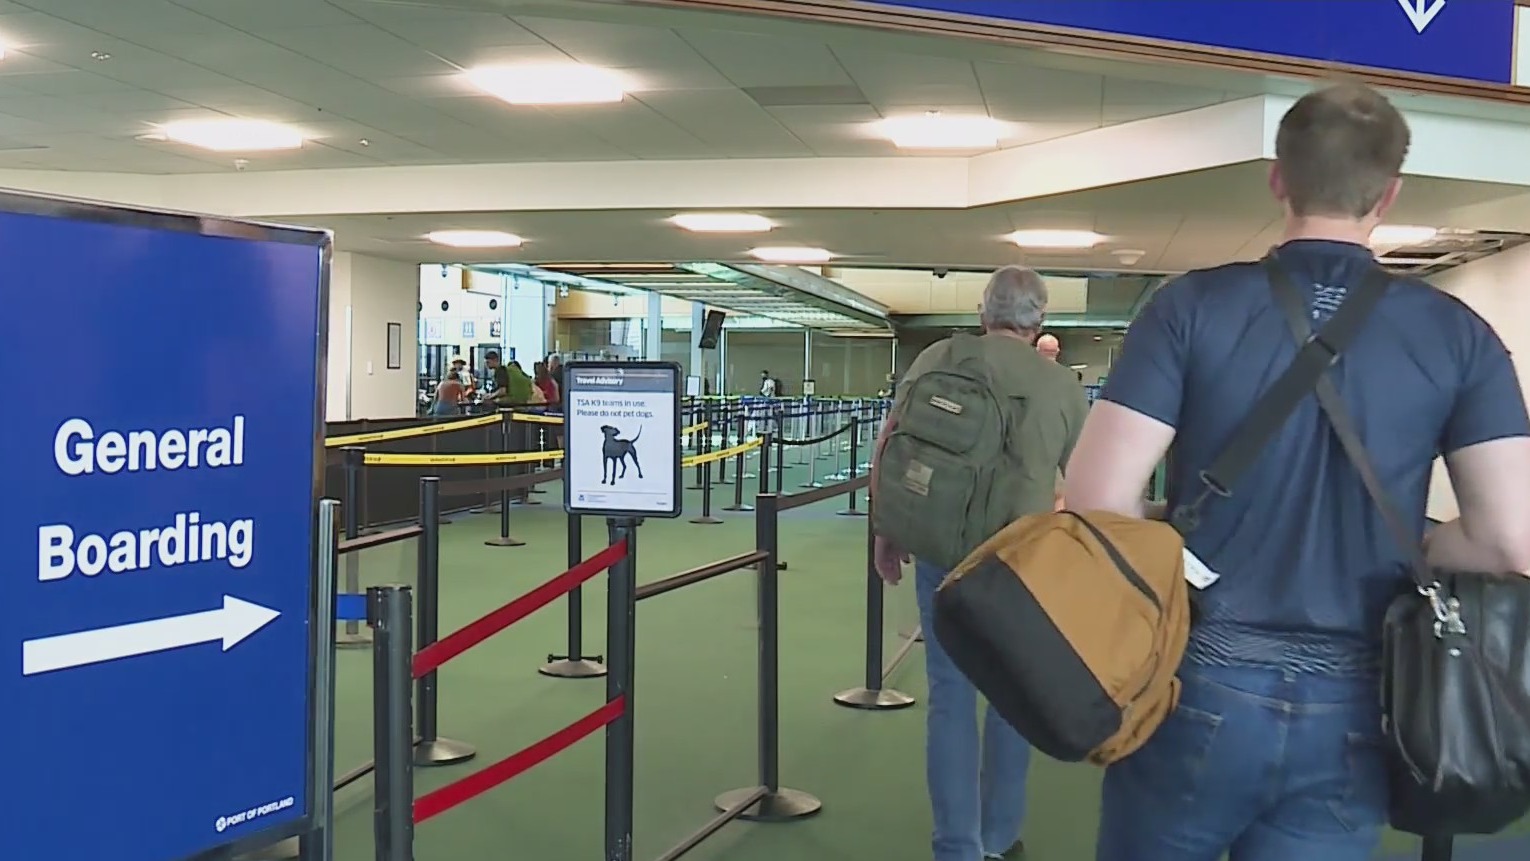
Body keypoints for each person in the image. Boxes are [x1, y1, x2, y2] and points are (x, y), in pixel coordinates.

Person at [1063, 82, 1530, 861]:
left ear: (1277, 178)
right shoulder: (1460, 336)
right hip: (1359, 705)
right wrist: (1416, 539)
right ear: (1389, 194)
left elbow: (1095, 500)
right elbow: (1510, 542)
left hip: (1195, 682)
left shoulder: (1187, 308)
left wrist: (1181, 529)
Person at [872, 265, 1089, 861]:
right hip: (1021, 563)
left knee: (949, 695)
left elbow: (890, 443)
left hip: (942, 549)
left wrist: (885, 530)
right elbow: (1093, 486)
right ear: (1038, 320)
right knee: (1011, 697)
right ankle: (998, 837)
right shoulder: (1061, 387)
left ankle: (956, 848)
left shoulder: (936, 358)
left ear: (982, 312)